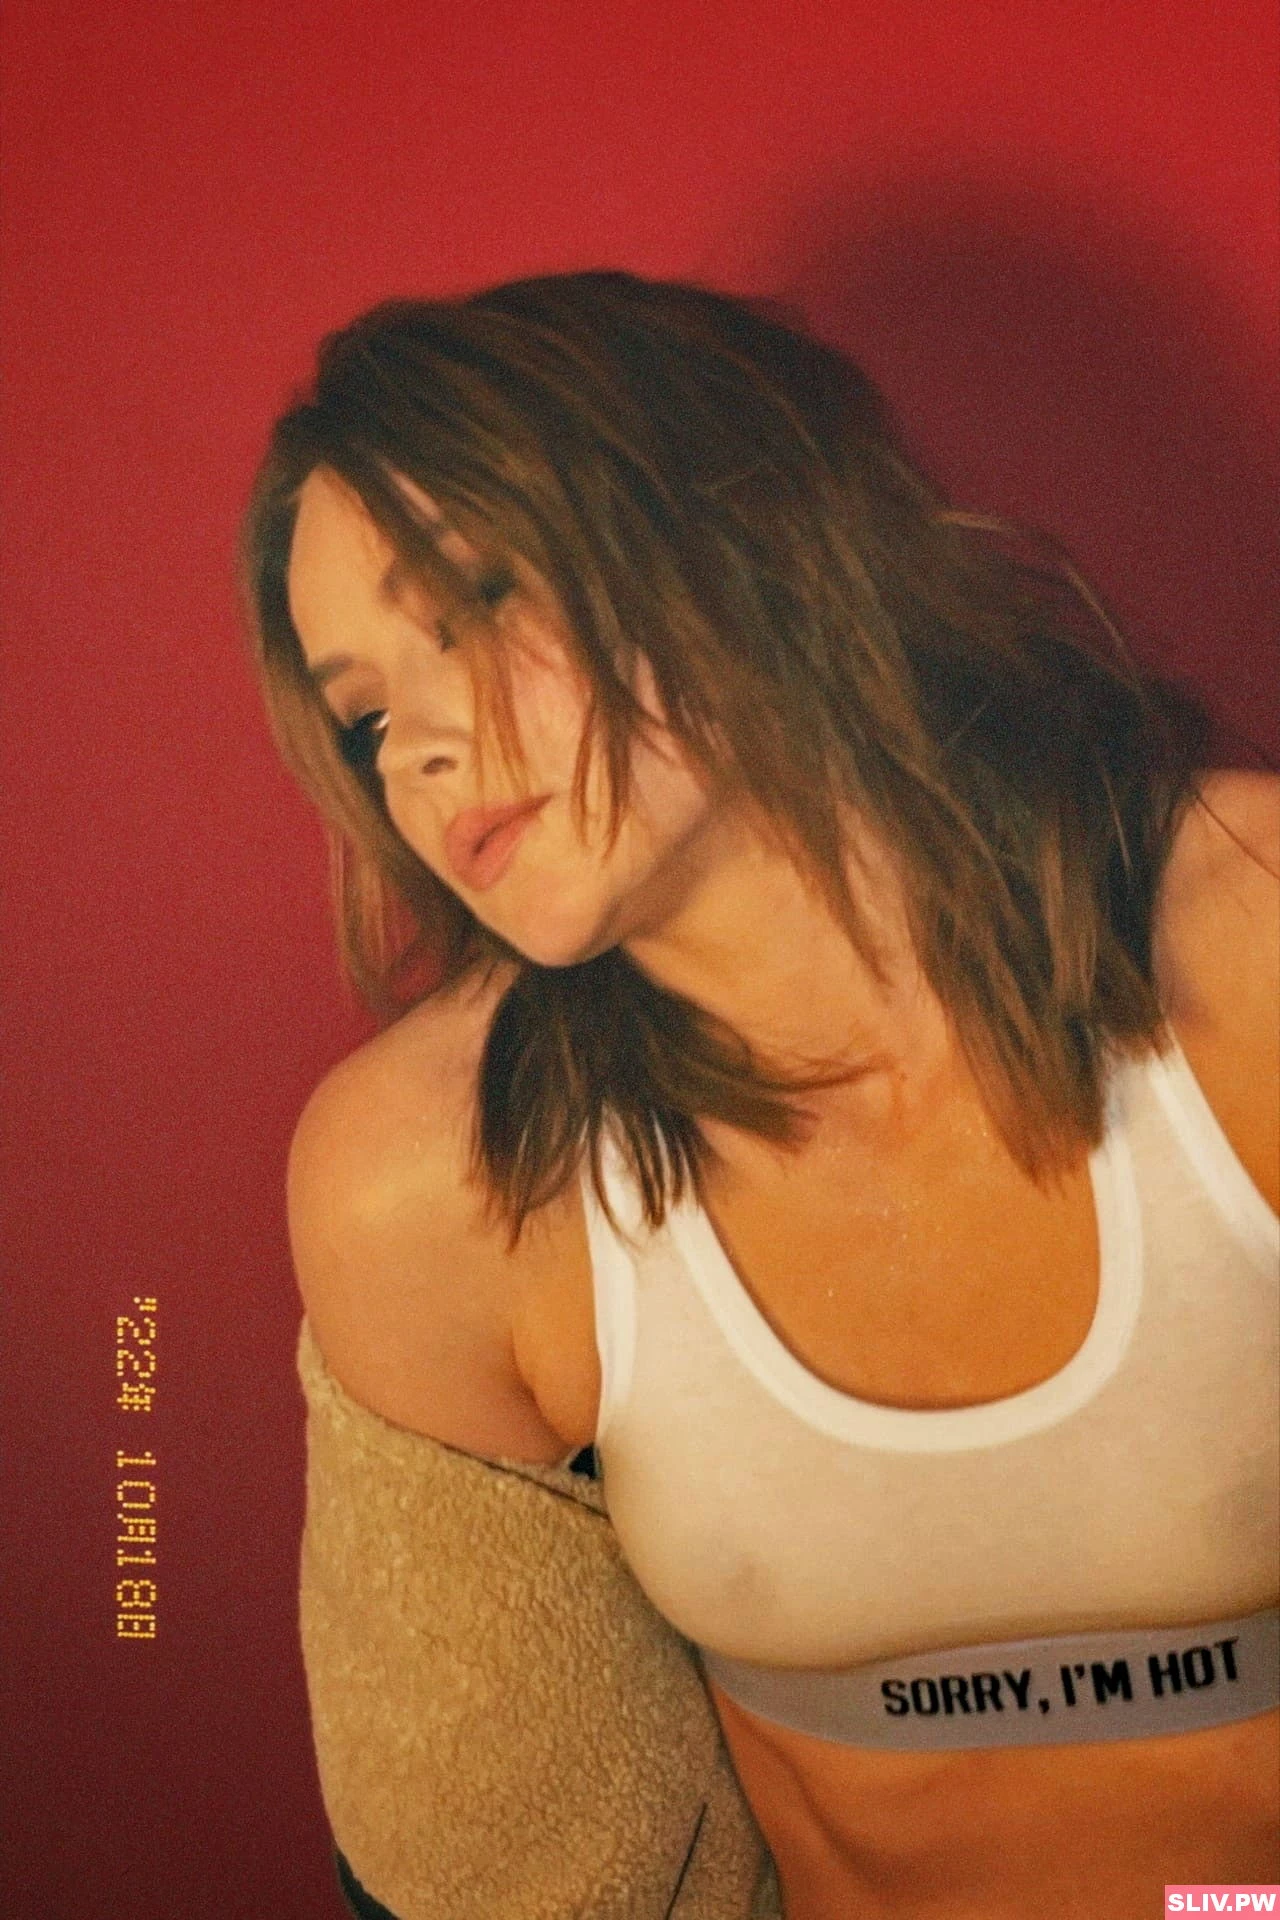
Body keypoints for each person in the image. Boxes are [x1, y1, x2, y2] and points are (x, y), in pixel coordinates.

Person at [244, 272, 1279, 1920]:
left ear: (732, 521)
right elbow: (495, 1859)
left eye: (474, 603)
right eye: (362, 714)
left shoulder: (1252, 938)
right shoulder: (436, 1180)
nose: (417, 748)